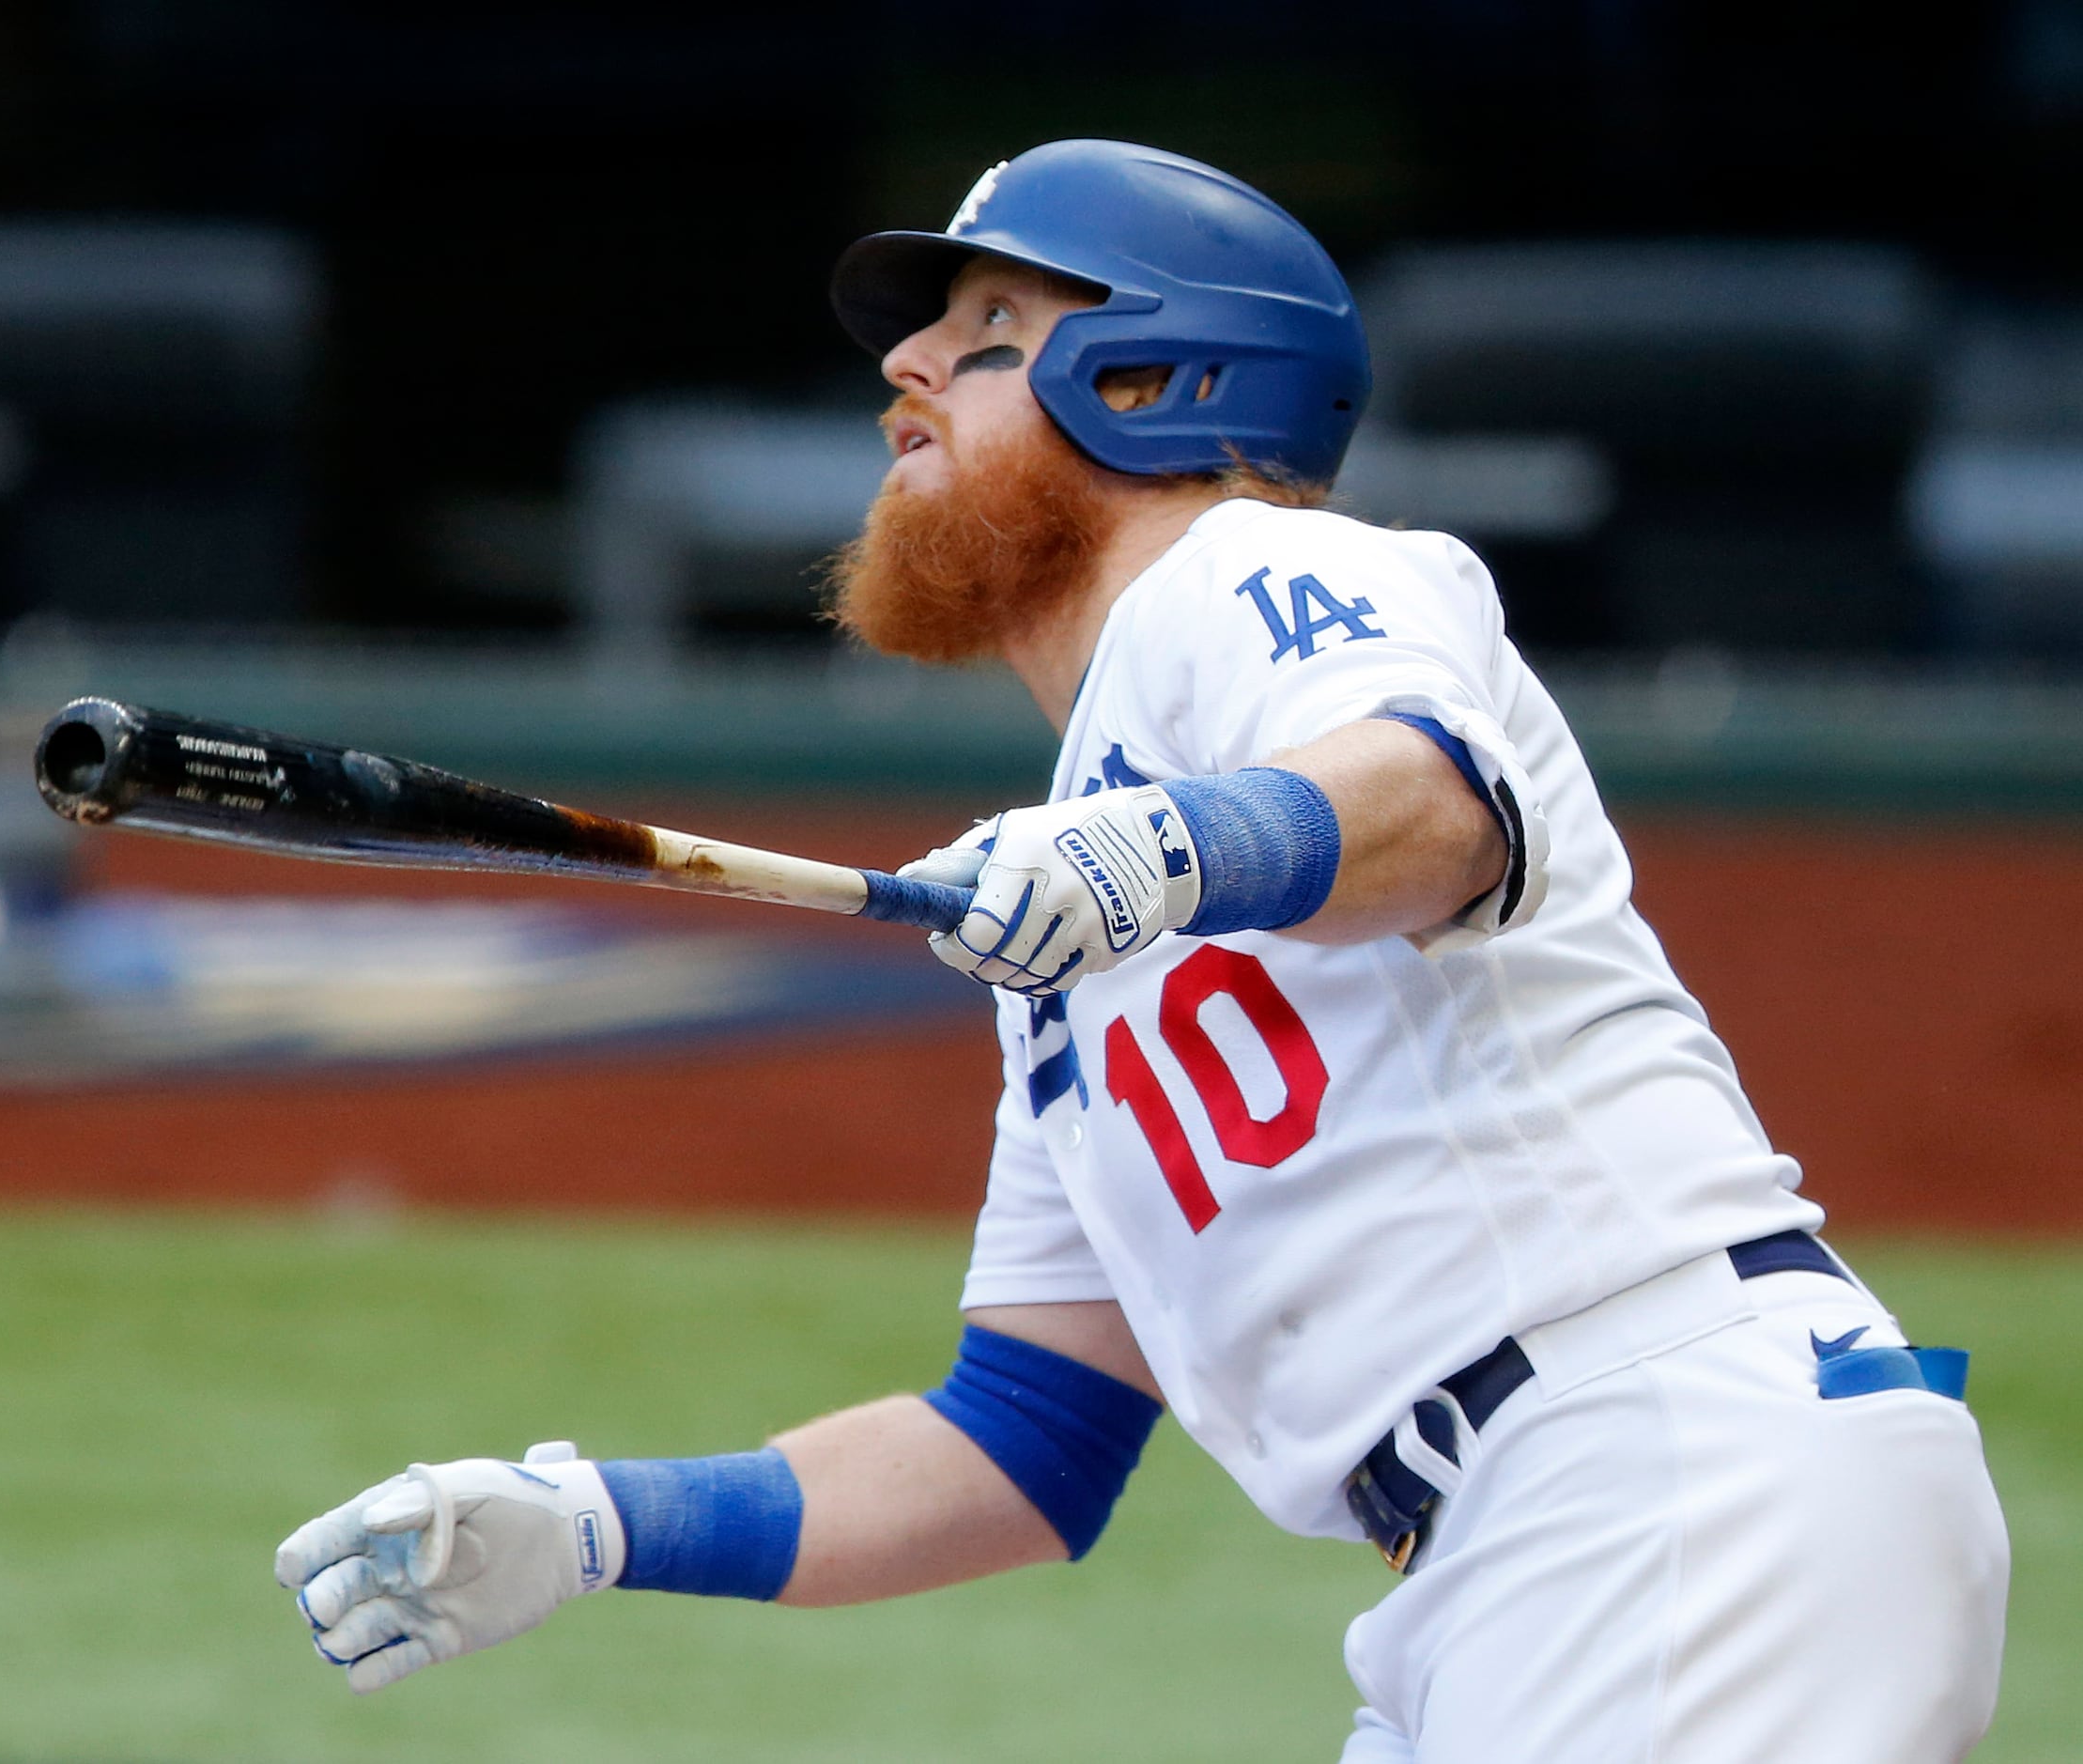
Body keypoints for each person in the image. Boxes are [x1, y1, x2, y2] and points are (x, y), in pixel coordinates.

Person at [272, 140, 2009, 1761]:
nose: (907, 372)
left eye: (992, 329)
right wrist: (595, 1522)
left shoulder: (1260, 577)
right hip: (1530, 1548)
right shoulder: (1073, 931)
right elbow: (1019, 1447)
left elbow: (1434, 801)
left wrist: (1153, 851)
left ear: (1163, 380)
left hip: (1664, 1476)